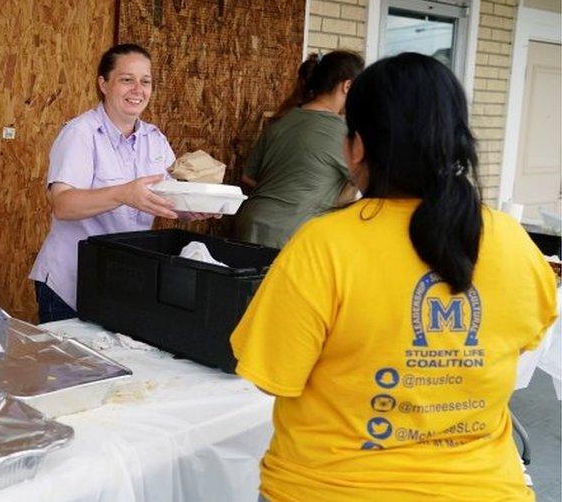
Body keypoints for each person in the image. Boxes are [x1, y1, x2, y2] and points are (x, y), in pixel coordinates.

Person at [230, 53, 557, 500]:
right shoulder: (512, 242)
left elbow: (272, 375)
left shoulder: (324, 244)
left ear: (357, 147)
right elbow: (527, 338)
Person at [29, 43, 212, 324]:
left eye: (145, 81)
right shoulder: (81, 133)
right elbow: (62, 205)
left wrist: (196, 207)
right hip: (70, 284)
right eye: (127, 80)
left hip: (122, 282)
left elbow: (169, 196)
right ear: (103, 84)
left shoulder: (155, 139)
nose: (138, 90)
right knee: (68, 368)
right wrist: (123, 194)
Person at [232, 50, 364, 248]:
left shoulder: (281, 120)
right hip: (290, 235)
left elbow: (248, 177)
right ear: (347, 86)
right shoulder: (344, 133)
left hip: (250, 224)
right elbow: (367, 184)